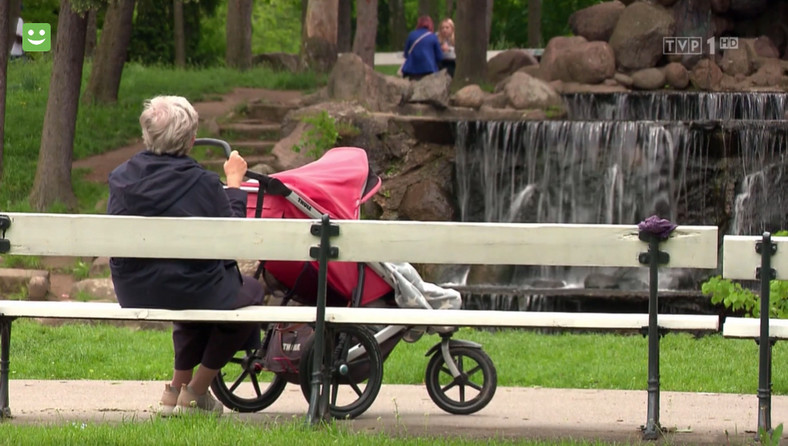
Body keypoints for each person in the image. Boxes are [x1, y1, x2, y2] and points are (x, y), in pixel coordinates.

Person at [107, 95, 264, 416]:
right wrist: (234, 184)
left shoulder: (121, 177)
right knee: (252, 294)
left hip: (135, 287)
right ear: (192, 140)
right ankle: (196, 391)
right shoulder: (203, 183)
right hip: (193, 285)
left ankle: (174, 390)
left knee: (193, 286)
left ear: (146, 136)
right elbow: (234, 240)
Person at [400, 15, 443, 81]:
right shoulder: (432, 36)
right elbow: (439, 56)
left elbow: (406, 54)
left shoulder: (411, 35)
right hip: (428, 69)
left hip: (412, 70)